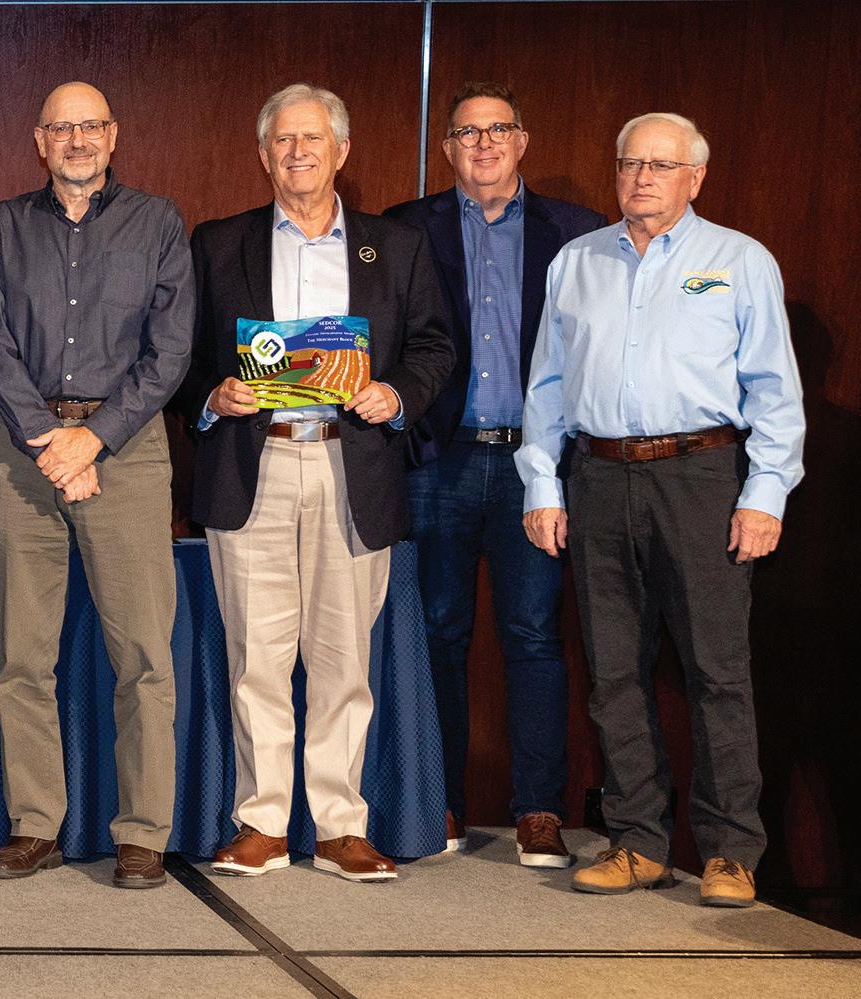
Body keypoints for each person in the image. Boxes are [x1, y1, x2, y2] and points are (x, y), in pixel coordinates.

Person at [520, 113, 804, 908]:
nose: (640, 177)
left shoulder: (738, 260)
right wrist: (541, 485)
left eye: (659, 164)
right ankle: (637, 841)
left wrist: (764, 493)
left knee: (716, 671)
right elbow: (545, 384)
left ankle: (729, 851)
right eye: (628, 163)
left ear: (695, 177)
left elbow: (774, 389)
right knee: (612, 671)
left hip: (701, 476)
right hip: (597, 475)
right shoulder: (577, 261)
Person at [190, 84, 453, 884]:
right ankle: (261, 822)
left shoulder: (394, 246)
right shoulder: (218, 243)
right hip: (254, 465)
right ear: (261, 154)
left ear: (341, 150)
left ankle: (341, 825)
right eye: (282, 140)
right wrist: (212, 394)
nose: (297, 153)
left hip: (352, 465)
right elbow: (179, 355)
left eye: (311, 139)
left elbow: (436, 346)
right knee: (255, 658)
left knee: (343, 658)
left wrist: (395, 394)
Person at [0, 82, 193, 889]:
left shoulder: (157, 222)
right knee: (21, 655)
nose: (76, 139)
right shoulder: (2, 225)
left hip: (123, 449)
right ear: (39, 140)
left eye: (90, 125)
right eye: (60, 127)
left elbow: (171, 351)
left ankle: (142, 831)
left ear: (112, 134)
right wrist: (50, 438)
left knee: (142, 654)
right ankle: (35, 824)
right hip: (22, 451)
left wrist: (93, 437)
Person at [382, 83, 605, 866]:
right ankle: (436, 798)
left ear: (521, 141)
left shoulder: (576, 233)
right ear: (446, 148)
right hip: (435, 460)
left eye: (497, 129)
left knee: (533, 634)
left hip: (532, 466)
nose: (482, 144)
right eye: (466, 132)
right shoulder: (402, 229)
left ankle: (538, 808)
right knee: (435, 631)